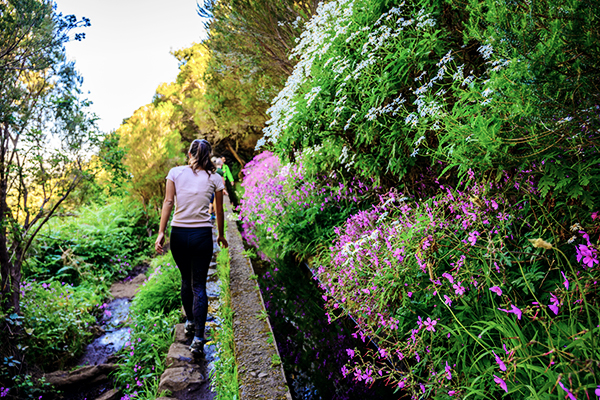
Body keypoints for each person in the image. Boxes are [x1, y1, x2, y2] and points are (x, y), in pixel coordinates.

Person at [155, 139, 228, 357]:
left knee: (185, 280)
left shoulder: (175, 173)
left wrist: (161, 232)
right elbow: (219, 210)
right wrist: (221, 235)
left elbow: (168, 203)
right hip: (202, 236)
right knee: (199, 286)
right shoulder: (215, 178)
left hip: (178, 234)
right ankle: (198, 338)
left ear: (189, 153)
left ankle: (189, 321)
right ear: (208, 155)